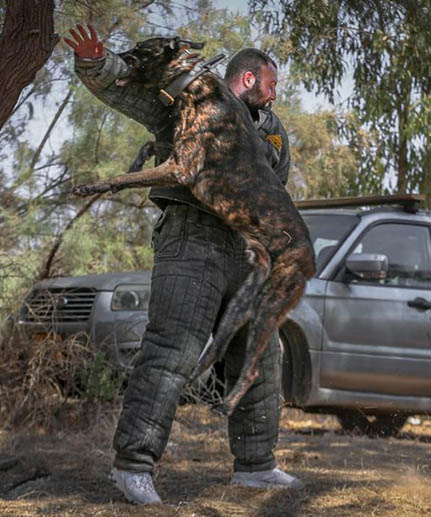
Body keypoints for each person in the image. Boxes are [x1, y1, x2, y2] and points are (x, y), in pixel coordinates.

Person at [65, 24, 303, 506]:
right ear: (250, 78)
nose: (276, 95)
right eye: (272, 84)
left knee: (262, 354)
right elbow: (132, 93)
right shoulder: (191, 101)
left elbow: (272, 184)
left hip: (244, 246)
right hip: (191, 239)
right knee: (173, 350)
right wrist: (96, 63)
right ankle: (132, 467)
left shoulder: (271, 131)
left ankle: (256, 467)